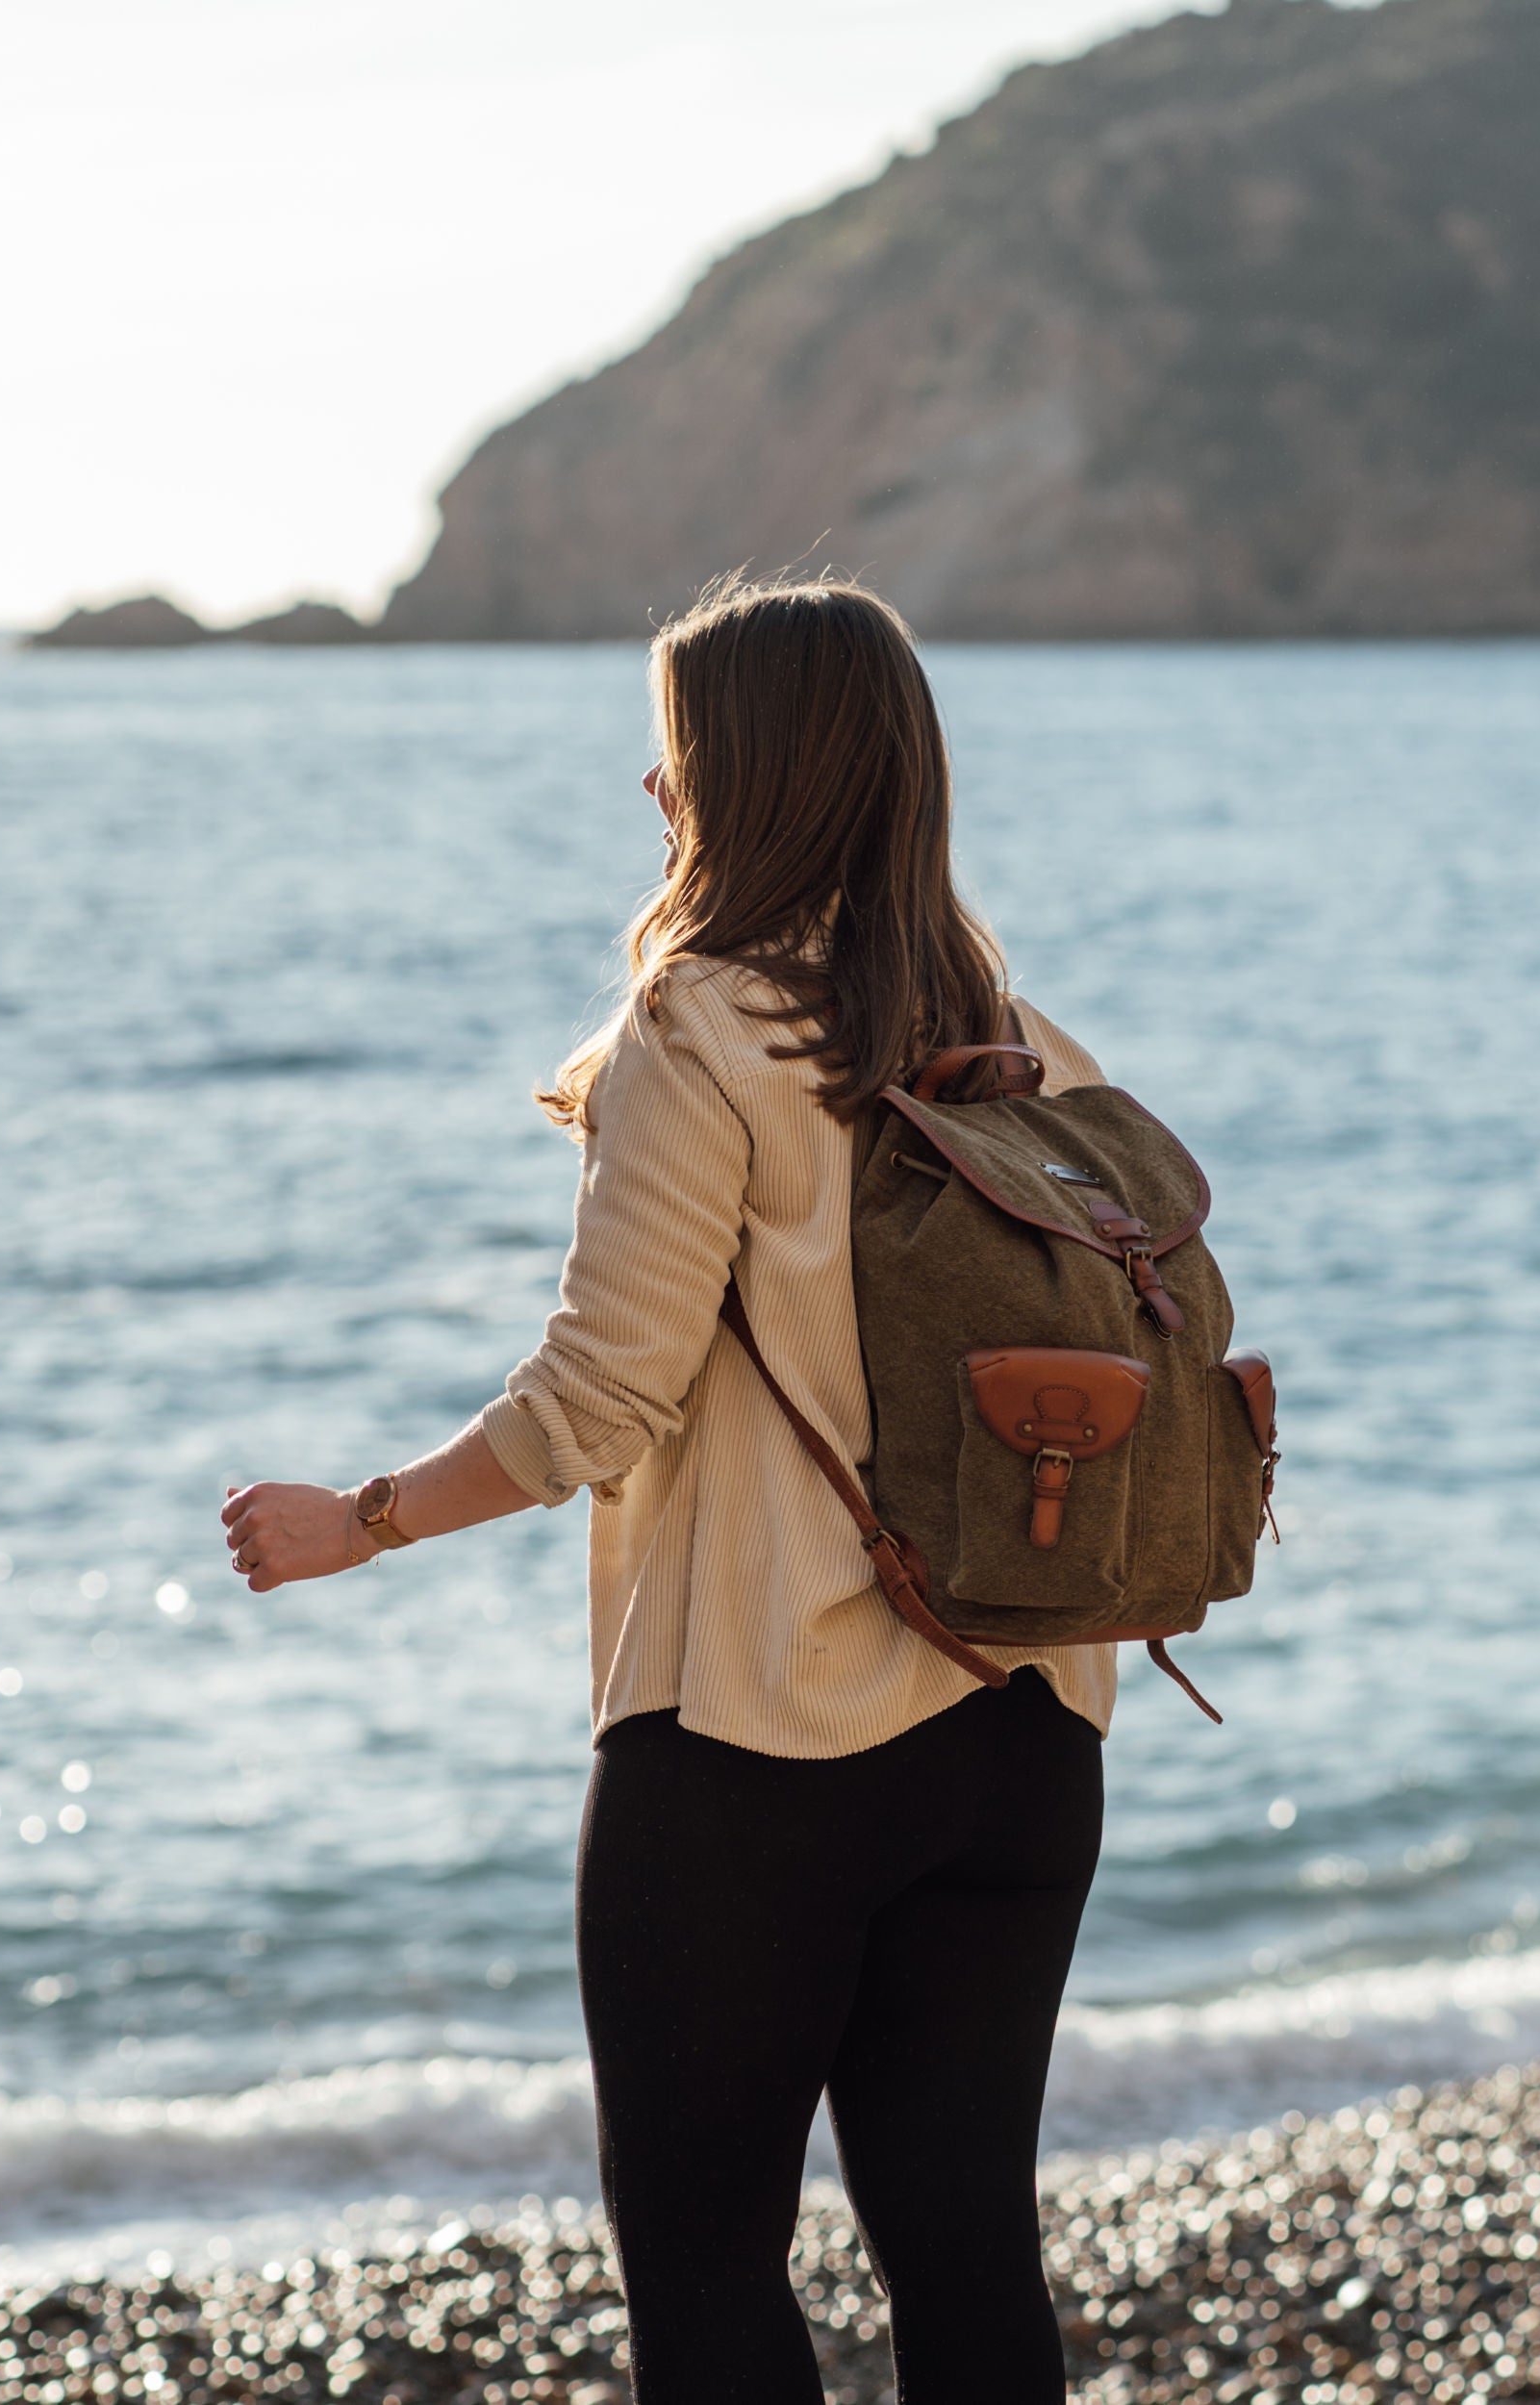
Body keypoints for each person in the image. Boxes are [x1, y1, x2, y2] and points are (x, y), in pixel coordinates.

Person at [219, 577, 1115, 2404]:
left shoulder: (703, 1030)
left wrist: (358, 1521)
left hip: (758, 1747)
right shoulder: (1031, 1047)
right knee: (964, 2252)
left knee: (706, 2266)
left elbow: (598, 1398)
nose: (655, 787)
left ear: (758, 776)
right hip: (1027, 1727)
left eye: (683, 748)